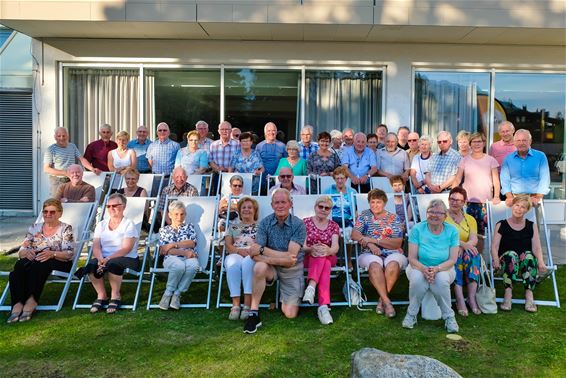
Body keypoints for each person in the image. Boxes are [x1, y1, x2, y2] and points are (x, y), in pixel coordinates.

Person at [243, 189, 307, 333]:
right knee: (259, 267)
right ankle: (254, 313)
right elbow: (254, 254)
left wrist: (262, 251)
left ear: (290, 204)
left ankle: (282, 299)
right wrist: (271, 257)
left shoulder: (299, 224)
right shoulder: (265, 223)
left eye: (283, 202)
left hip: (292, 270)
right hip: (271, 267)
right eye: (276, 203)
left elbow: (291, 258)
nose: (280, 206)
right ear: (272, 205)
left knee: (290, 314)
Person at [7, 199, 74, 323]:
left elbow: (69, 254)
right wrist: (27, 252)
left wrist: (52, 254)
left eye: (52, 212)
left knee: (39, 264)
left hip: (59, 261)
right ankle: (18, 303)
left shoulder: (65, 228)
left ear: (60, 213)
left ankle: (31, 301)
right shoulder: (34, 228)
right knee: (20, 265)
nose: (48, 214)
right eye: (45, 211)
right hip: (37, 258)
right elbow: (21, 251)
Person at [402, 199, 460, 333]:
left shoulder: (452, 231)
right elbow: (412, 258)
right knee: (417, 279)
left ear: (445, 216)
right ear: (426, 214)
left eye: (438, 213)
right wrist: (424, 269)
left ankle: (449, 317)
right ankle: (411, 315)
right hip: (418, 266)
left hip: (444, 267)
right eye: (431, 212)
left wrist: (437, 269)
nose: (434, 215)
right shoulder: (417, 229)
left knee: (440, 280)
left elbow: (452, 259)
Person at [350, 189, 405, 318]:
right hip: (368, 253)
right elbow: (355, 234)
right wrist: (370, 244)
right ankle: (387, 302)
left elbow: (397, 242)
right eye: (372, 202)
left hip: (393, 252)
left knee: (393, 265)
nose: (375, 205)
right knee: (374, 265)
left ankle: (382, 300)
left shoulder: (393, 218)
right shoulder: (364, 216)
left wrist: (374, 240)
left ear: (384, 203)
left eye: (378, 202)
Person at [84, 193, 139, 314]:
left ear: (123, 206)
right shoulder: (101, 224)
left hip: (126, 257)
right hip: (104, 257)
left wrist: (107, 258)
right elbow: (96, 246)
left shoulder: (129, 224)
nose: (111, 208)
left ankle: (115, 296)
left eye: (115, 205)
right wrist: (100, 259)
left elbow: (126, 248)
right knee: (92, 265)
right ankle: (102, 295)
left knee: (113, 264)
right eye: (108, 206)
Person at [491, 195, 548, 312]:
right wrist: (495, 260)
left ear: (527, 210)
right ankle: (508, 295)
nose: (518, 209)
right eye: (517, 205)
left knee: (529, 256)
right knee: (511, 255)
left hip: (523, 260)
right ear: (512, 206)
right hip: (506, 259)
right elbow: (494, 246)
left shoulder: (531, 225)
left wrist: (541, 262)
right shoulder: (501, 224)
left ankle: (529, 296)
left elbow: (536, 247)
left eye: (523, 207)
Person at [301, 196, 340, 325]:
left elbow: (335, 247)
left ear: (330, 210)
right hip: (309, 257)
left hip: (329, 255)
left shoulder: (334, 226)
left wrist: (327, 250)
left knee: (324, 255)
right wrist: (311, 249)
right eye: (320, 206)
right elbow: (303, 246)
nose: (323, 209)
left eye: (326, 208)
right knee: (325, 263)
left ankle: (311, 287)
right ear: (315, 207)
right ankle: (323, 306)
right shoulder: (305, 222)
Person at [453, 132, 500, 238]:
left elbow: (496, 181)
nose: (477, 144)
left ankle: (479, 254)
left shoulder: (491, 160)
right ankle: (468, 254)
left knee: (482, 235)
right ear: (470, 144)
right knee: (467, 233)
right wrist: (454, 195)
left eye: (479, 141)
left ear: (484, 143)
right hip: (466, 203)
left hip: (484, 203)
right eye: (474, 141)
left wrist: (496, 196)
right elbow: (457, 179)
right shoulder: (464, 160)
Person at [157, 200, 199, 311]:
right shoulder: (164, 230)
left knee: (194, 266)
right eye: (176, 214)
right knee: (179, 265)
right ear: (170, 215)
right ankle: (168, 293)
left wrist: (173, 244)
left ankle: (177, 294)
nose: (179, 217)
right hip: (172, 258)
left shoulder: (189, 227)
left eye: (182, 214)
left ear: (185, 215)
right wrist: (185, 252)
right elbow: (166, 251)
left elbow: (192, 243)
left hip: (189, 258)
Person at [445, 187, 481, 316]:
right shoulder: (442, 216)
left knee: (473, 255)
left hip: (464, 249)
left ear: (464, 202)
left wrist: (465, 246)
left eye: (458, 200)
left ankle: (471, 298)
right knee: (456, 257)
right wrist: (461, 245)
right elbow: (443, 237)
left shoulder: (470, 219)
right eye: (452, 199)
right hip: (447, 249)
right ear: (448, 200)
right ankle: (459, 298)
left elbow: (474, 238)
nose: (455, 202)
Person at [224, 197, 259, 320]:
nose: (246, 210)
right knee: (232, 264)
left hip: (253, 254)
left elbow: (263, 244)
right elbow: (228, 245)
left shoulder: (260, 226)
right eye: (243, 207)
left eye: (249, 207)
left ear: (255, 210)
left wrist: (251, 252)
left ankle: (248, 305)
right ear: (239, 210)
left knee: (248, 264)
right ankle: (236, 305)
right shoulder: (233, 227)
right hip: (236, 253)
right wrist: (239, 251)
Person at [500, 129, 550, 207]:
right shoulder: (508, 159)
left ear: (530, 141)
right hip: (515, 199)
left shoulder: (540, 156)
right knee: (516, 219)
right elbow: (505, 180)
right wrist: (509, 197)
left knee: (535, 219)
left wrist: (539, 197)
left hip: (534, 199)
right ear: (514, 142)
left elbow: (545, 178)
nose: (521, 143)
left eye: (524, 140)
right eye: (518, 140)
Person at [44, 127, 97, 196]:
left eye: (64, 135)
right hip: (57, 181)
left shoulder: (72, 146)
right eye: (59, 136)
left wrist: (92, 168)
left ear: (68, 136)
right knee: (57, 203)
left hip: (72, 180)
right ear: (55, 137)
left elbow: (82, 159)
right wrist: (65, 173)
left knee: (72, 202)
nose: (61, 138)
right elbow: (46, 169)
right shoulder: (50, 149)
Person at [209, 121, 241, 194]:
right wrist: (218, 169)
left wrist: (228, 169)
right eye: (222, 129)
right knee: (217, 197)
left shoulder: (238, 144)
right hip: (218, 176)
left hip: (234, 176)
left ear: (230, 131)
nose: (224, 131)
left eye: (227, 129)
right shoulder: (213, 145)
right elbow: (210, 161)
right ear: (218, 131)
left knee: (233, 198)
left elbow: (241, 160)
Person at [256, 122, 287, 190]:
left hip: (279, 180)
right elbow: (256, 163)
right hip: (262, 180)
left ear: (276, 132)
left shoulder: (282, 146)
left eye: (273, 130)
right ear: (265, 132)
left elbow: (286, 162)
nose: (271, 132)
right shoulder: (259, 146)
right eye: (269, 131)